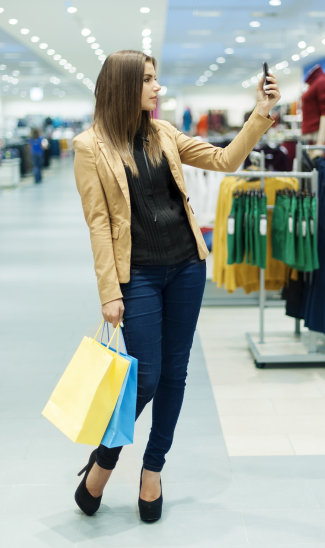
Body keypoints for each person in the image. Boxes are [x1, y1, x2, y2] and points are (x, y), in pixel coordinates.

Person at [72, 49, 280, 522]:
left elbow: (225, 160)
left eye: (156, 79)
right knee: (146, 375)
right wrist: (109, 291)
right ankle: (104, 460)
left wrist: (260, 114)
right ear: (125, 85)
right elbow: (98, 224)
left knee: (176, 373)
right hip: (138, 275)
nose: (157, 87)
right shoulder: (90, 147)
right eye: (148, 80)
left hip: (187, 267)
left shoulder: (163, 133)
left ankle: (153, 469)